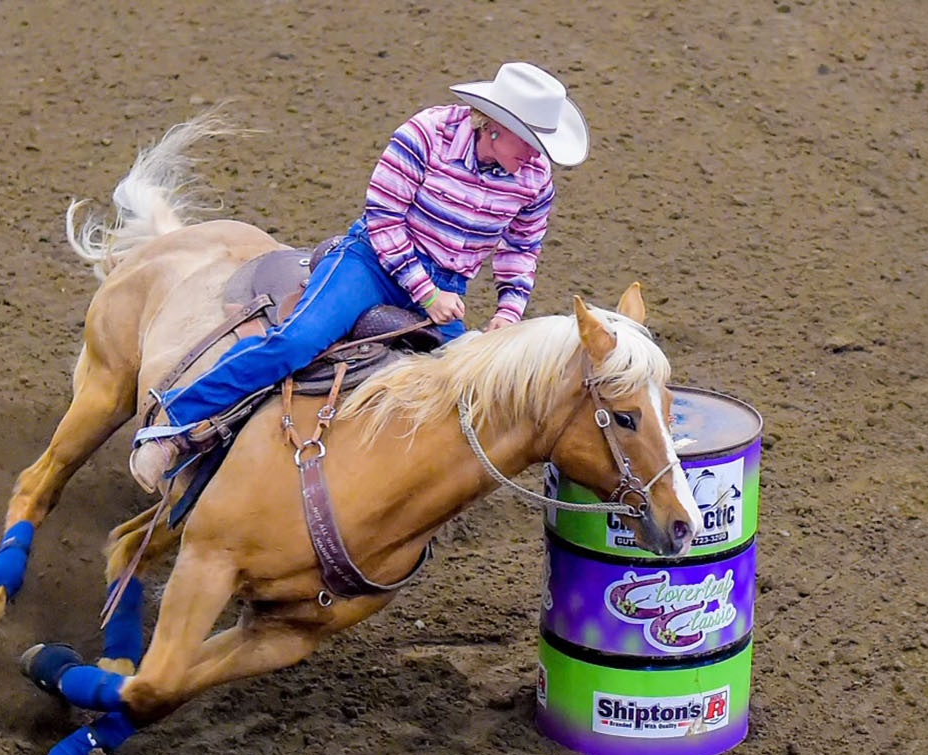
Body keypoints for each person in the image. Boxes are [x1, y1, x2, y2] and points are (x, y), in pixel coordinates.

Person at [129, 61, 589, 491]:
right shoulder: (426, 134)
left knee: (468, 398)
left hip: (446, 284)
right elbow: (385, 218)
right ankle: (172, 427)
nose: (535, 156)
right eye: (530, 142)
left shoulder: (535, 179)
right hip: (372, 262)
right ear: (496, 126)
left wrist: (509, 312)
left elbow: (521, 248)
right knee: (296, 342)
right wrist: (427, 295)